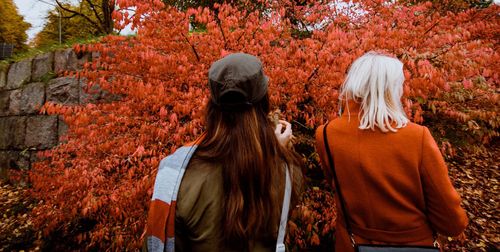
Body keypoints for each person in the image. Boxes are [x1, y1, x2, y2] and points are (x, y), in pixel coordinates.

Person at [144, 53, 302, 252]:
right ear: (264, 103)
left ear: (212, 108)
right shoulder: (289, 170)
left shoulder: (178, 175)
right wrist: (276, 152)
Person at [315, 52, 468, 251]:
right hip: (413, 246)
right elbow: (450, 221)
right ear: (392, 88)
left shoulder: (326, 134)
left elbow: (338, 184)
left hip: (352, 245)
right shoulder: (417, 137)